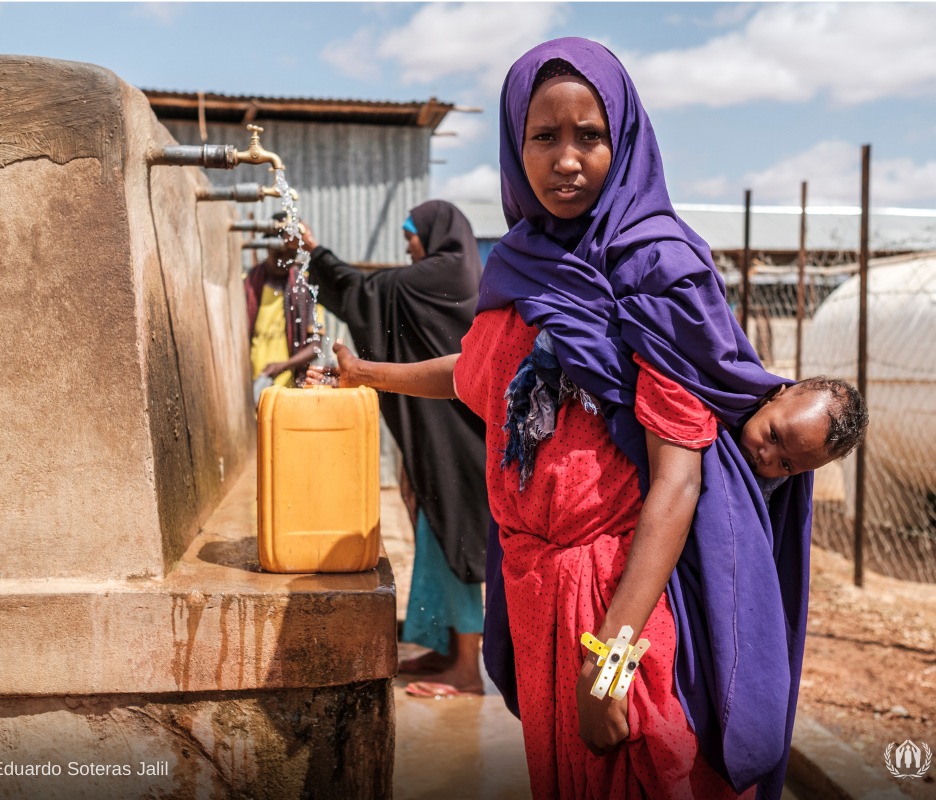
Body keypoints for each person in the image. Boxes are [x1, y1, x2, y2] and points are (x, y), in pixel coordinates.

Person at [310, 38, 868, 800]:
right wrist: (368, 373)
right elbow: (478, 375)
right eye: (544, 137)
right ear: (516, 143)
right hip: (535, 589)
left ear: (625, 140)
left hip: (618, 601)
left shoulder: (661, 271)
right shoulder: (519, 267)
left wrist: (609, 662)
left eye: (590, 136)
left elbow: (677, 482)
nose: (566, 160)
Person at [301, 201, 490, 697]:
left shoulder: (438, 275)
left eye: (411, 234)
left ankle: (468, 669)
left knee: (459, 539)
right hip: (445, 430)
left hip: (459, 437)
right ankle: (447, 650)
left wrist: (314, 252)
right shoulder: (458, 274)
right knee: (435, 533)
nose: (407, 245)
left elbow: (364, 292)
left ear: (435, 233)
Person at [244, 217, 322, 403]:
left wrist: (283, 366)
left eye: (291, 254)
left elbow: (316, 347)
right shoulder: (247, 287)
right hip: (251, 391)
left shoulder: (307, 290)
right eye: (279, 253)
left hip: (291, 396)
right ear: (268, 247)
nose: (284, 260)